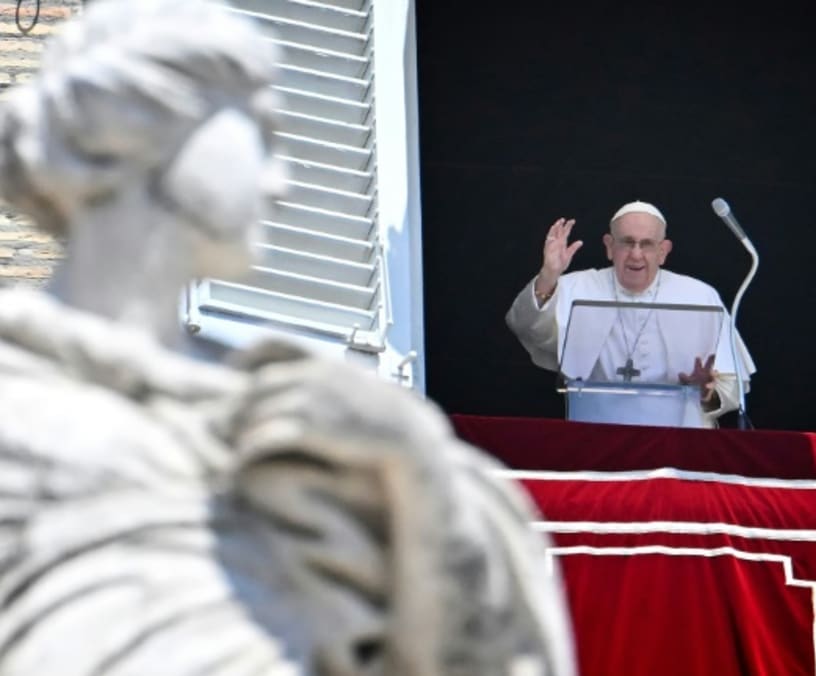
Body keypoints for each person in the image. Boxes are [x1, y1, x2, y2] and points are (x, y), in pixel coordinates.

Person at [0, 2, 574, 675]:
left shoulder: (316, 420)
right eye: (260, 132)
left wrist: (416, 472)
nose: (281, 181)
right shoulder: (23, 405)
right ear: (138, 129)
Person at [506, 201, 755, 427]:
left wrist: (706, 391)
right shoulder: (575, 287)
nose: (636, 254)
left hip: (680, 442)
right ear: (609, 246)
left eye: (647, 244)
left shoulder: (699, 295)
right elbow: (527, 328)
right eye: (627, 242)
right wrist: (549, 274)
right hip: (596, 438)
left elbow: (731, 385)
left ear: (663, 251)